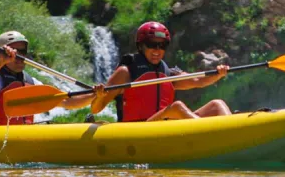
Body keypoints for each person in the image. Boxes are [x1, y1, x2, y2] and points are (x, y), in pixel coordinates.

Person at [91, 22, 232, 121]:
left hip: (164, 126)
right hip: (139, 130)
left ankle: (232, 129)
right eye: (152, 45)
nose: (157, 50)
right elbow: (96, 109)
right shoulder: (125, 72)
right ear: (141, 46)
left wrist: (218, 74)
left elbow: (198, 80)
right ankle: (211, 133)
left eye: (162, 45)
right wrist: (99, 96)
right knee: (177, 107)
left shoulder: (169, 73)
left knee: (216, 104)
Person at [0, 31, 90, 126]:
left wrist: (95, 94)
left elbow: (66, 101)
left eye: (23, 51)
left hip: (18, 141)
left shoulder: (31, 82)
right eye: (14, 51)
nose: (19, 55)